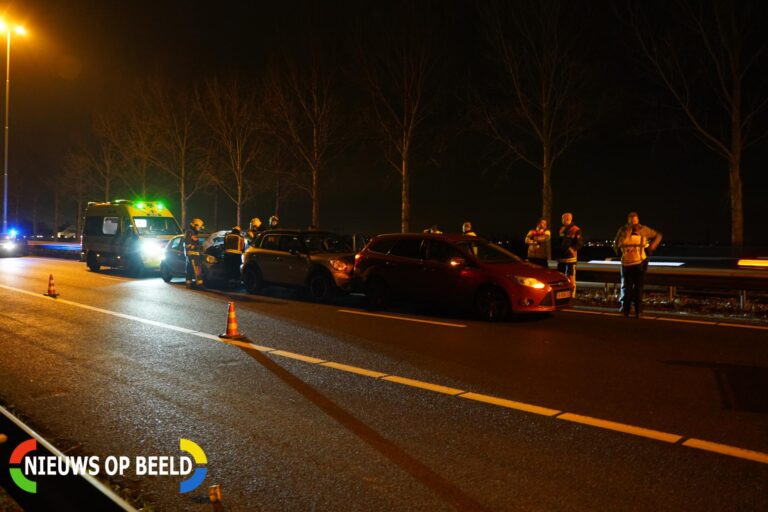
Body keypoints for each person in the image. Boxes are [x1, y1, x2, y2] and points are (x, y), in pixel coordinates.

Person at [613, 212, 663, 318]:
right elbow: (658, 235)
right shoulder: (643, 230)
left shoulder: (622, 230)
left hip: (627, 263)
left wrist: (619, 253)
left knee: (627, 288)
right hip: (639, 263)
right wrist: (651, 248)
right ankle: (638, 311)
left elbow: (616, 245)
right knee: (638, 288)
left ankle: (626, 310)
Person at [556, 212, 583, 291]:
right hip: (561, 258)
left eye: (563, 218)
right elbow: (559, 242)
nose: (562, 220)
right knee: (560, 277)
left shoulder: (576, 229)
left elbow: (579, 243)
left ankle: (571, 294)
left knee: (571, 277)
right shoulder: (561, 229)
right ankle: (561, 292)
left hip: (570, 258)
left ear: (568, 219)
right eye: (563, 218)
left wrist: (571, 249)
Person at [184, 218, 205, 289]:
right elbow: (188, 244)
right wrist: (196, 246)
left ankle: (188, 284)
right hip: (193, 254)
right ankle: (199, 284)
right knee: (197, 269)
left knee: (189, 269)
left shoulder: (192, 233)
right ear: (195, 225)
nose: (199, 229)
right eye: (199, 227)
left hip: (192, 254)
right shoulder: (190, 233)